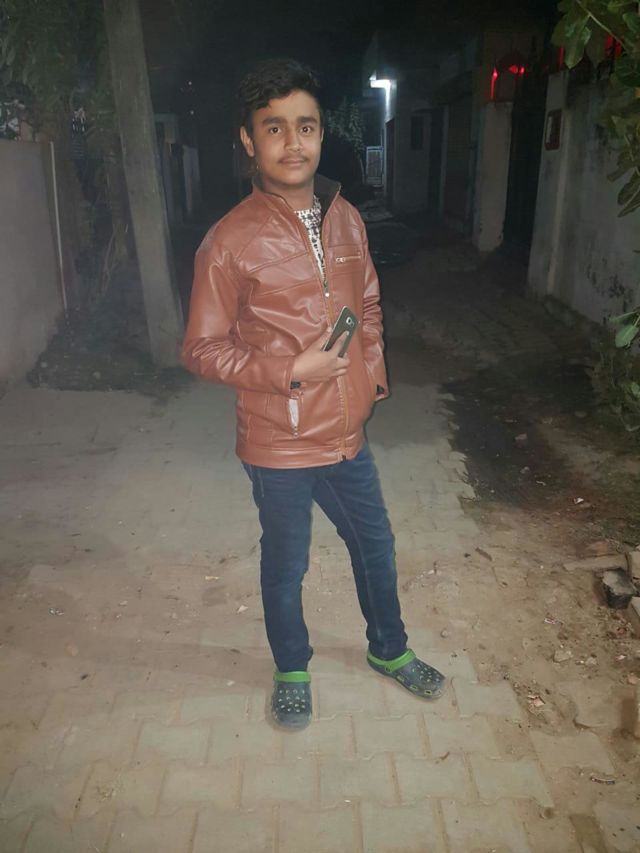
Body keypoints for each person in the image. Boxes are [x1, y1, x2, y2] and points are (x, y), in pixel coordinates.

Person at [182, 58, 444, 729]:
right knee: (287, 562)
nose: (293, 142)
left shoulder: (347, 217)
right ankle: (292, 667)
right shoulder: (227, 241)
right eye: (274, 128)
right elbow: (201, 349)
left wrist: (368, 377)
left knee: (375, 545)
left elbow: (369, 303)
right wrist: (290, 369)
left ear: (322, 134)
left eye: (306, 126)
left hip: (347, 433)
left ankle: (389, 648)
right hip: (279, 439)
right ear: (249, 140)